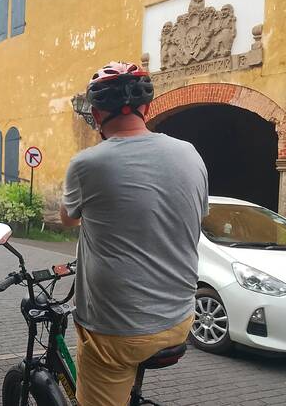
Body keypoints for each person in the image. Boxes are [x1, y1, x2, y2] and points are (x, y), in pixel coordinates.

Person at [61, 62, 209, 406]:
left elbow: (68, 219)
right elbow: (193, 215)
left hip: (117, 330)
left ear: (96, 115)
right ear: (146, 108)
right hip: (180, 318)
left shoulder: (87, 164)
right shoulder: (190, 153)